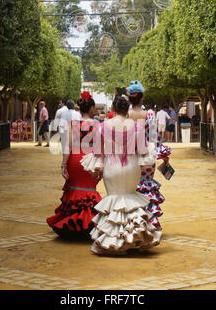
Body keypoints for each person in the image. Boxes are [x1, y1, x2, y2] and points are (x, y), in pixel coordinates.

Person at [80, 95, 162, 255]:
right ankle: (132, 238)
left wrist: (97, 169)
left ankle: (113, 241)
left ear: (113, 109)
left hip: (112, 166)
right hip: (131, 166)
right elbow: (143, 151)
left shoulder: (103, 125)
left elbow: (98, 151)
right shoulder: (136, 125)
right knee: (130, 198)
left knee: (114, 200)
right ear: (127, 109)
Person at [47, 92, 102, 238]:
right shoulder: (96, 124)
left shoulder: (74, 124)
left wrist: (64, 164)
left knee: (75, 188)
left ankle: (71, 223)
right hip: (90, 160)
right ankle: (88, 223)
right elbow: (99, 146)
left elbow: (69, 146)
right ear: (90, 108)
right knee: (89, 189)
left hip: (75, 160)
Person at [127, 80, 171, 229]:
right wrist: (164, 155)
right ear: (142, 98)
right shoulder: (148, 115)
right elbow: (154, 139)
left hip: (127, 158)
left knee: (130, 188)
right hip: (146, 157)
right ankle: (148, 222)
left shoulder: (125, 115)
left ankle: (131, 222)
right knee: (146, 186)